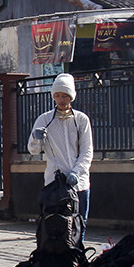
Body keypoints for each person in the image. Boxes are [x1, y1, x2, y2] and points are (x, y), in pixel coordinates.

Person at [26, 73, 94, 244]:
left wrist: (77, 172)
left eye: (64, 95)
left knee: (79, 223)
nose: (61, 100)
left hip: (78, 183)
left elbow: (87, 151)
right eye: (57, 95)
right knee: (55, 223)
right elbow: (33, 150)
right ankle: (55, 256)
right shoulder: (44, 119)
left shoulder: (81, 120)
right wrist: (36, 137)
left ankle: (77, 256)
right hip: (54, 184)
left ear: (71, 96)